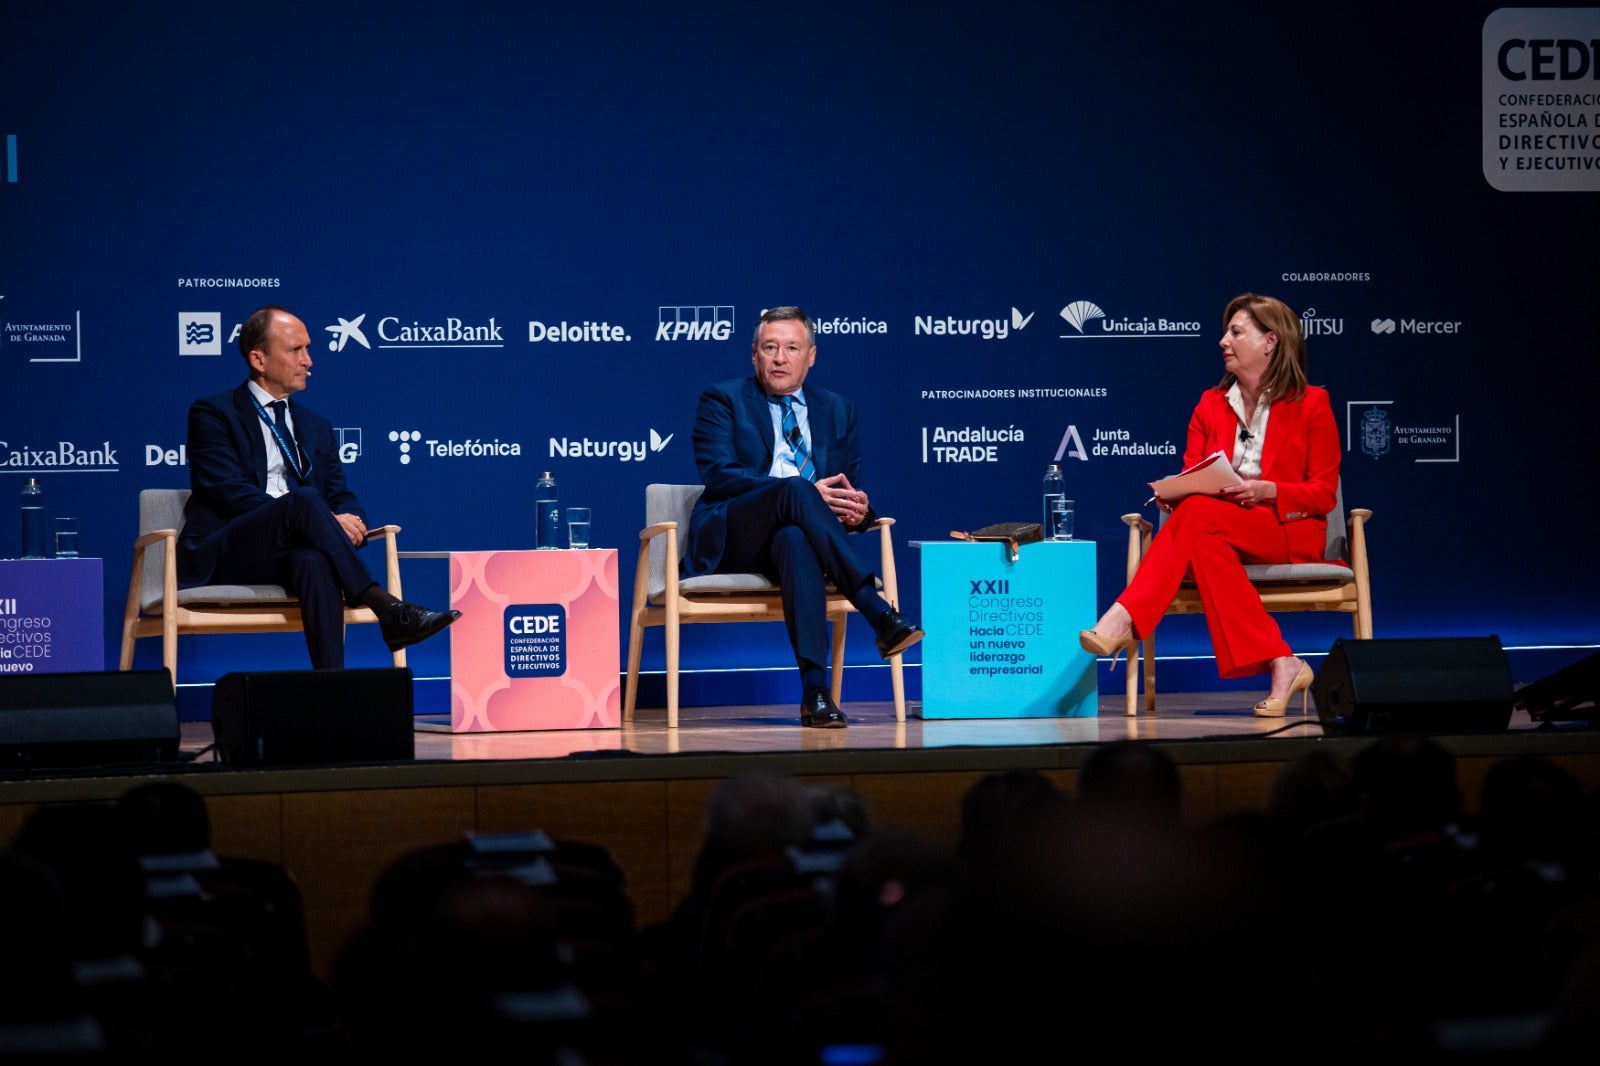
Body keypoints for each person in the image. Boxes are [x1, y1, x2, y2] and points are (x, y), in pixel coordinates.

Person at [1078, 293, 1339, 716]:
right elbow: (1192, 477)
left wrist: (1267, 491)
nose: (1223, 341)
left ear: (1270, 341)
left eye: (1236, 332)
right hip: (1218, 529)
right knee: (1202, 539)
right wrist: (1173, 492)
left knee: (1198, 517)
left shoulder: (1311, 404)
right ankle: (1283, 662)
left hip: (1284, 529)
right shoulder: (1209, 405)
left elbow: (1324, 493)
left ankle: (1124, 616)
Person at [178, 305, 459, 668]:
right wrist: (313, 514)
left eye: (308, 349)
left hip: (290, 550)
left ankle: (331, 693)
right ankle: (387, 608)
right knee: (305, 501)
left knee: (313, 560)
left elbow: (341, 495)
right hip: (228, 548)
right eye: (296, 350)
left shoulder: (315, 425)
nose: (308, 361)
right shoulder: (213, 413)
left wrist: (347, 517)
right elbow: (226, 490)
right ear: (258, 359)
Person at [685, 305, 922, 728]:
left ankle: (815, 694)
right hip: (737, 534)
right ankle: (878, 612)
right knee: (795, 487)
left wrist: (859, 512)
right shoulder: (722, 399)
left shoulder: (837, 409)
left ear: (810, 356)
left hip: (800, 541)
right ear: (753, 355)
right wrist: (798, 492)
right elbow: (719, 475)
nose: (780, 358)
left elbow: (845, 489)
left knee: (795, 536)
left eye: (791, 347)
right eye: (770, 347)